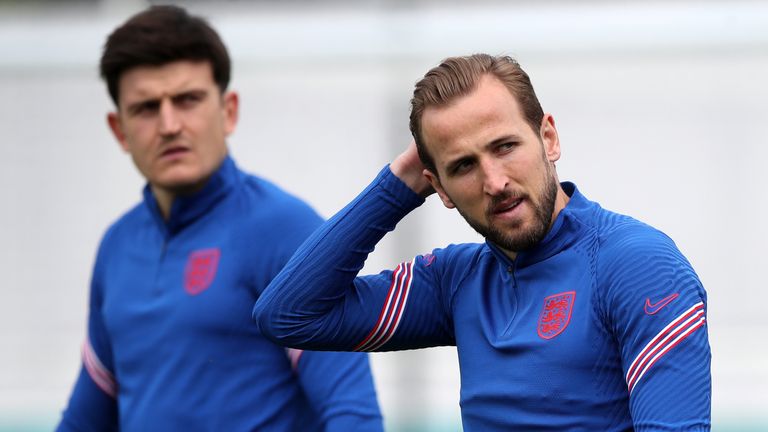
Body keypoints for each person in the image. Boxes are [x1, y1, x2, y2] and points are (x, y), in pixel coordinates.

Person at [254, 54, 711, 430]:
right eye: (463, 166)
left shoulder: (635, 263)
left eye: (505, 146)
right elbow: (288, 316)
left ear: (548, 137)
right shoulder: (456, 282)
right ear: (441, 190)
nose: (495, 182)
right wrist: (397, 187)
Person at [57, 5, 383, 431]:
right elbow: (86, 418)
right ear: (120, 130)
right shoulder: (117, 245)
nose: (170, 124)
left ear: (228, 110)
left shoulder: (286, 230)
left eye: (188, 100)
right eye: (147, 108)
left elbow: (353, 415)